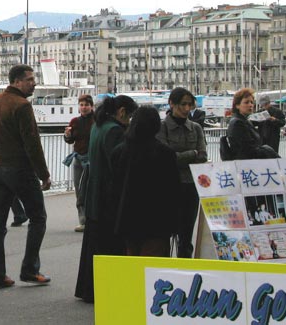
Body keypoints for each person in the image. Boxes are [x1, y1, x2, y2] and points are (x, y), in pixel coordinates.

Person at [0, 64, 52, 290]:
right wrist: (44, 174)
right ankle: (30, 269)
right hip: (19, 169)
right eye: (29, 79)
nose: (34, 83)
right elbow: (32, 143)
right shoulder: (22, 105)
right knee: (38, 217)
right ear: (16, 81)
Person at [75, 94, 137, 304]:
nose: (130, 121)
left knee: (93, 246)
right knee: (108, 246)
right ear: (122, 112)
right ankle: (104, 289)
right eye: (130, 117)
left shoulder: (98, 126)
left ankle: (89, 289)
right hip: (107, 197)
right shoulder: (114, 131)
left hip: (94, 194)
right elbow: (117, 164)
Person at [113, 106, 180, 257]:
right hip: (157, 221)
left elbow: (114, 187)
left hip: (127, 219)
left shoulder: (119, 151)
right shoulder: (166, 153)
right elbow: (173, 191)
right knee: (153, 263)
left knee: (132, 261)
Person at [156, 87, 207, 259]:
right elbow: (166, 159)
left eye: (189, 105)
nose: (186, 109)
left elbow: (203, 156)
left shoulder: (196, 128)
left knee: (186, 235)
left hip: (191, 186)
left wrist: (181, 157)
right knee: (165, 234)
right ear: (172, 104)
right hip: (169, 186)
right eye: (183, 104)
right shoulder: (162, 128)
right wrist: (192, 154)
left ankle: (185, 266)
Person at [63, 94, 94, 233]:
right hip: (78, 158)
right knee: (79, 189)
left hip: (92, 159)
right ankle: (83, 220)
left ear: (91, 106)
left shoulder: (96, 120)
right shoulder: (74, 121)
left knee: (90, 189)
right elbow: (70, 140)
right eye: (81, 105)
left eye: (86, 105)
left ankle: (92, 218)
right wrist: (67, 136)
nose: (84, 107)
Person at [226, 88, 279, 160]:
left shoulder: (244, 120)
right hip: (245, 163)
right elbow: (248, 150)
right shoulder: (238, 123)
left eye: (252, 102)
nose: (250, 105)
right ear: (237, 105)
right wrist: (267, 151)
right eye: (246, 102)